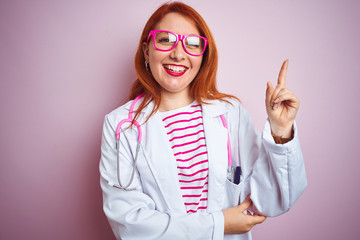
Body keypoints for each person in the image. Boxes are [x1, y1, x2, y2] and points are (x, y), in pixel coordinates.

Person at [99, 2, 307, 239]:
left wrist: (281, 129)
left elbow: (270, 201)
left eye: (192, 44)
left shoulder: (231, 113)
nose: (178, 54)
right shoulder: (120, 126)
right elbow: (129, 225)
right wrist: (217, 224)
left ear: (203, 55)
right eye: (165, 40)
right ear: (147, 50)